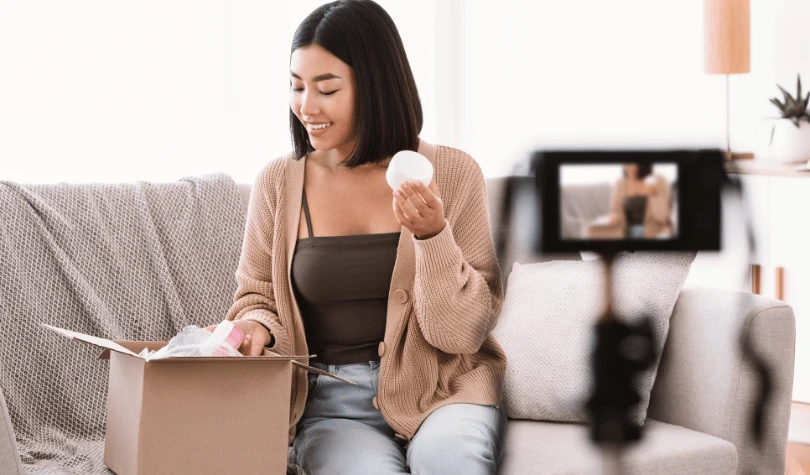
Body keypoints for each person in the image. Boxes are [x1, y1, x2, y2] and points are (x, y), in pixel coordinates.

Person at [212, 1, 508, 473]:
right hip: (332, 403)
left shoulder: (452, 173)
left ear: (374, 87)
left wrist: (433, 236)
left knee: (450, 462)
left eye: (326, 88)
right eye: (296, 86)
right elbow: (258, 296)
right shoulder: (278, 183)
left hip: (443, 388)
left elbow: (463, 332)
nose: (306, 107)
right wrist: (255, 327)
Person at [606, 163, 673, 239]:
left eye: (636, 163)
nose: (632, 168)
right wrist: (615, 217)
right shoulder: (620, 183)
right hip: (629, 233)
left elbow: (663, 216)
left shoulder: (659, 180)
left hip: (656, 232)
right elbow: (615, 211)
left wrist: (654, 196)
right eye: (628, 164)